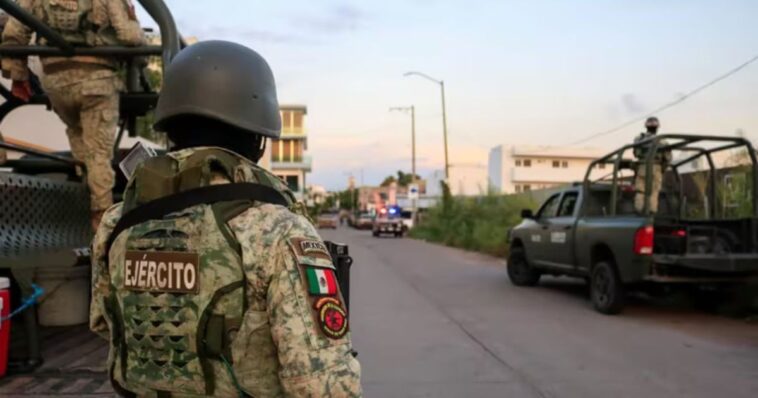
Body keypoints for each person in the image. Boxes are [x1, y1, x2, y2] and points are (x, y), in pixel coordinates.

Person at [90, 41, 362, 397]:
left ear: (171, 128)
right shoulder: (276, 228)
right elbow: (321, 385)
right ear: (258, 137)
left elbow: (104, 324)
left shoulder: (117, 221)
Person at [2, 0, 146, 230]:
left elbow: (14, 32)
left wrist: (18, 77)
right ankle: (102, 223)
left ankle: (83, 199)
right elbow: (129, 36)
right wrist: (140, 32)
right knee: (99, 154)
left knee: (79, 138)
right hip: (96, 81)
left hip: (56, 84)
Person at [633, 117, 671, 214]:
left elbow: (636, 153)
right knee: (654, 191)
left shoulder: (639, 139)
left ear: (646, 126)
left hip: (642, 166)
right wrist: (662, 169)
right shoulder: (663, 141)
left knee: (640, 190)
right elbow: (667, 159)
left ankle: (639, 210)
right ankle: (651, 213)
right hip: (656, 167)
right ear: (657, 127)